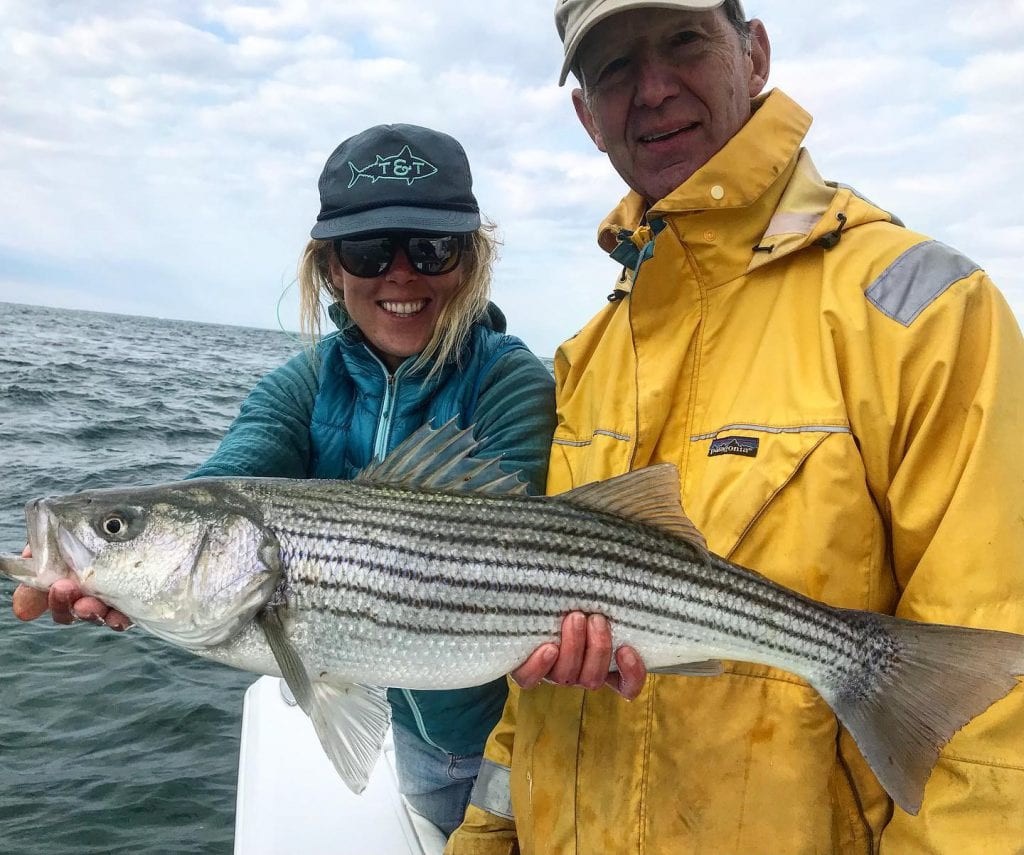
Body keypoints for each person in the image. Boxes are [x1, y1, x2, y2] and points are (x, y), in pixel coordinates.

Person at [447, 1, 1024, 852]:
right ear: (586, 115)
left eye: (684, 40)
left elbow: (994, 711)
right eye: (612, 68)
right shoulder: (590, 356)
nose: (652, 88)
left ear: (754, 54)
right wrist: (485, 836)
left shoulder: (926, 311)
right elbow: (534, 684)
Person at [13, 123, 557, 838]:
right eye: (366, 249)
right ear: (332, 267)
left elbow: (519, 543)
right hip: (422, 740)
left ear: (468, 261)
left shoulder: (510, 377)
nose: (400, 273)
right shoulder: (302, 384)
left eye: (430, 247)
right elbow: (225, 485)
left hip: (527, 721)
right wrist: (116, 570)